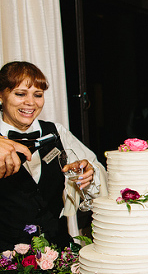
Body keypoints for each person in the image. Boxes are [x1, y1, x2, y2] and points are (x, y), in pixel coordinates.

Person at [0, 61, 100, 248]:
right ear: (1, 95)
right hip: (6, 261)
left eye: (38, 95)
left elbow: (96, 183)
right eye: (20, 94)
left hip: (58, 250)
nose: (30, 102)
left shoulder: (56, 132)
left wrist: (88, 174)